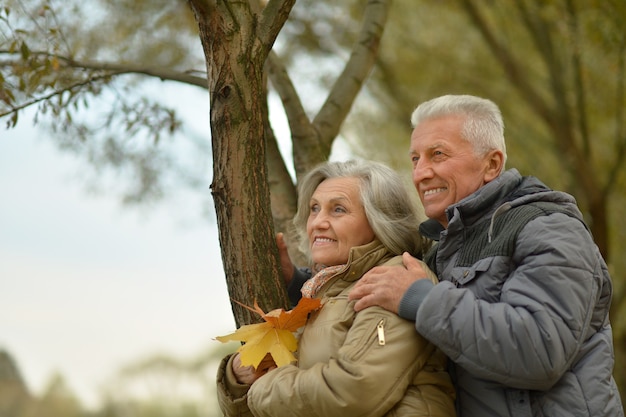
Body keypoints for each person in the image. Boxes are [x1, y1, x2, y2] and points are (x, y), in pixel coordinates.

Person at [283, 95, 624, 416]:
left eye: (438, 155)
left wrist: (422, 300)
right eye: (415, 159)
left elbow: (539, 351)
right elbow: (366, 280)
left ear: (492, 164)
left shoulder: (547, 228)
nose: (420, 173)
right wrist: (296, 283)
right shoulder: (440, 251)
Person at [216, 160, 456, 417]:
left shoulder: (394, 279)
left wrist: (262, 386)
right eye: (314, 209)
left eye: (338, 210)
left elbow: (354, 391)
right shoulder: (321, 293)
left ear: (379, 221)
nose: (318, 222)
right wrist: (237, 377)